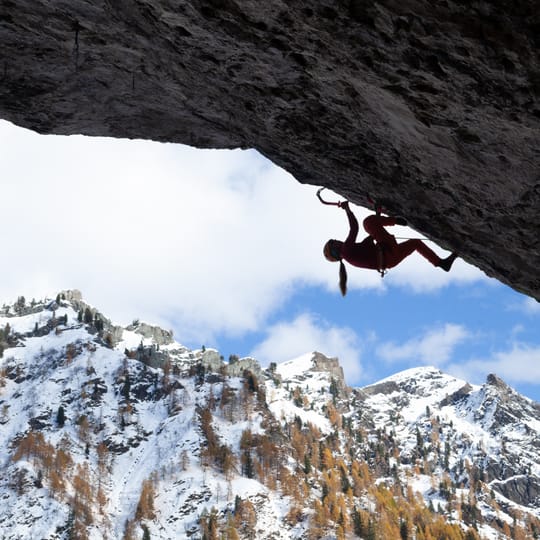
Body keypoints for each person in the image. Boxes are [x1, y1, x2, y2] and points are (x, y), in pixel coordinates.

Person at [323, 201, 458, 295]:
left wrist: (378, 215)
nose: (337, 240)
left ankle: (441, 263)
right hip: (388, 252)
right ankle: (396, 220)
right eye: (334, 242)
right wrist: (347, 209)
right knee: (367, 223)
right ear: (335, 250)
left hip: (390, 260)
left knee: (415, 243)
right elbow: (355, 228)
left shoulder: (351, 256)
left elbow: (371, 238)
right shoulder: (347, 251)